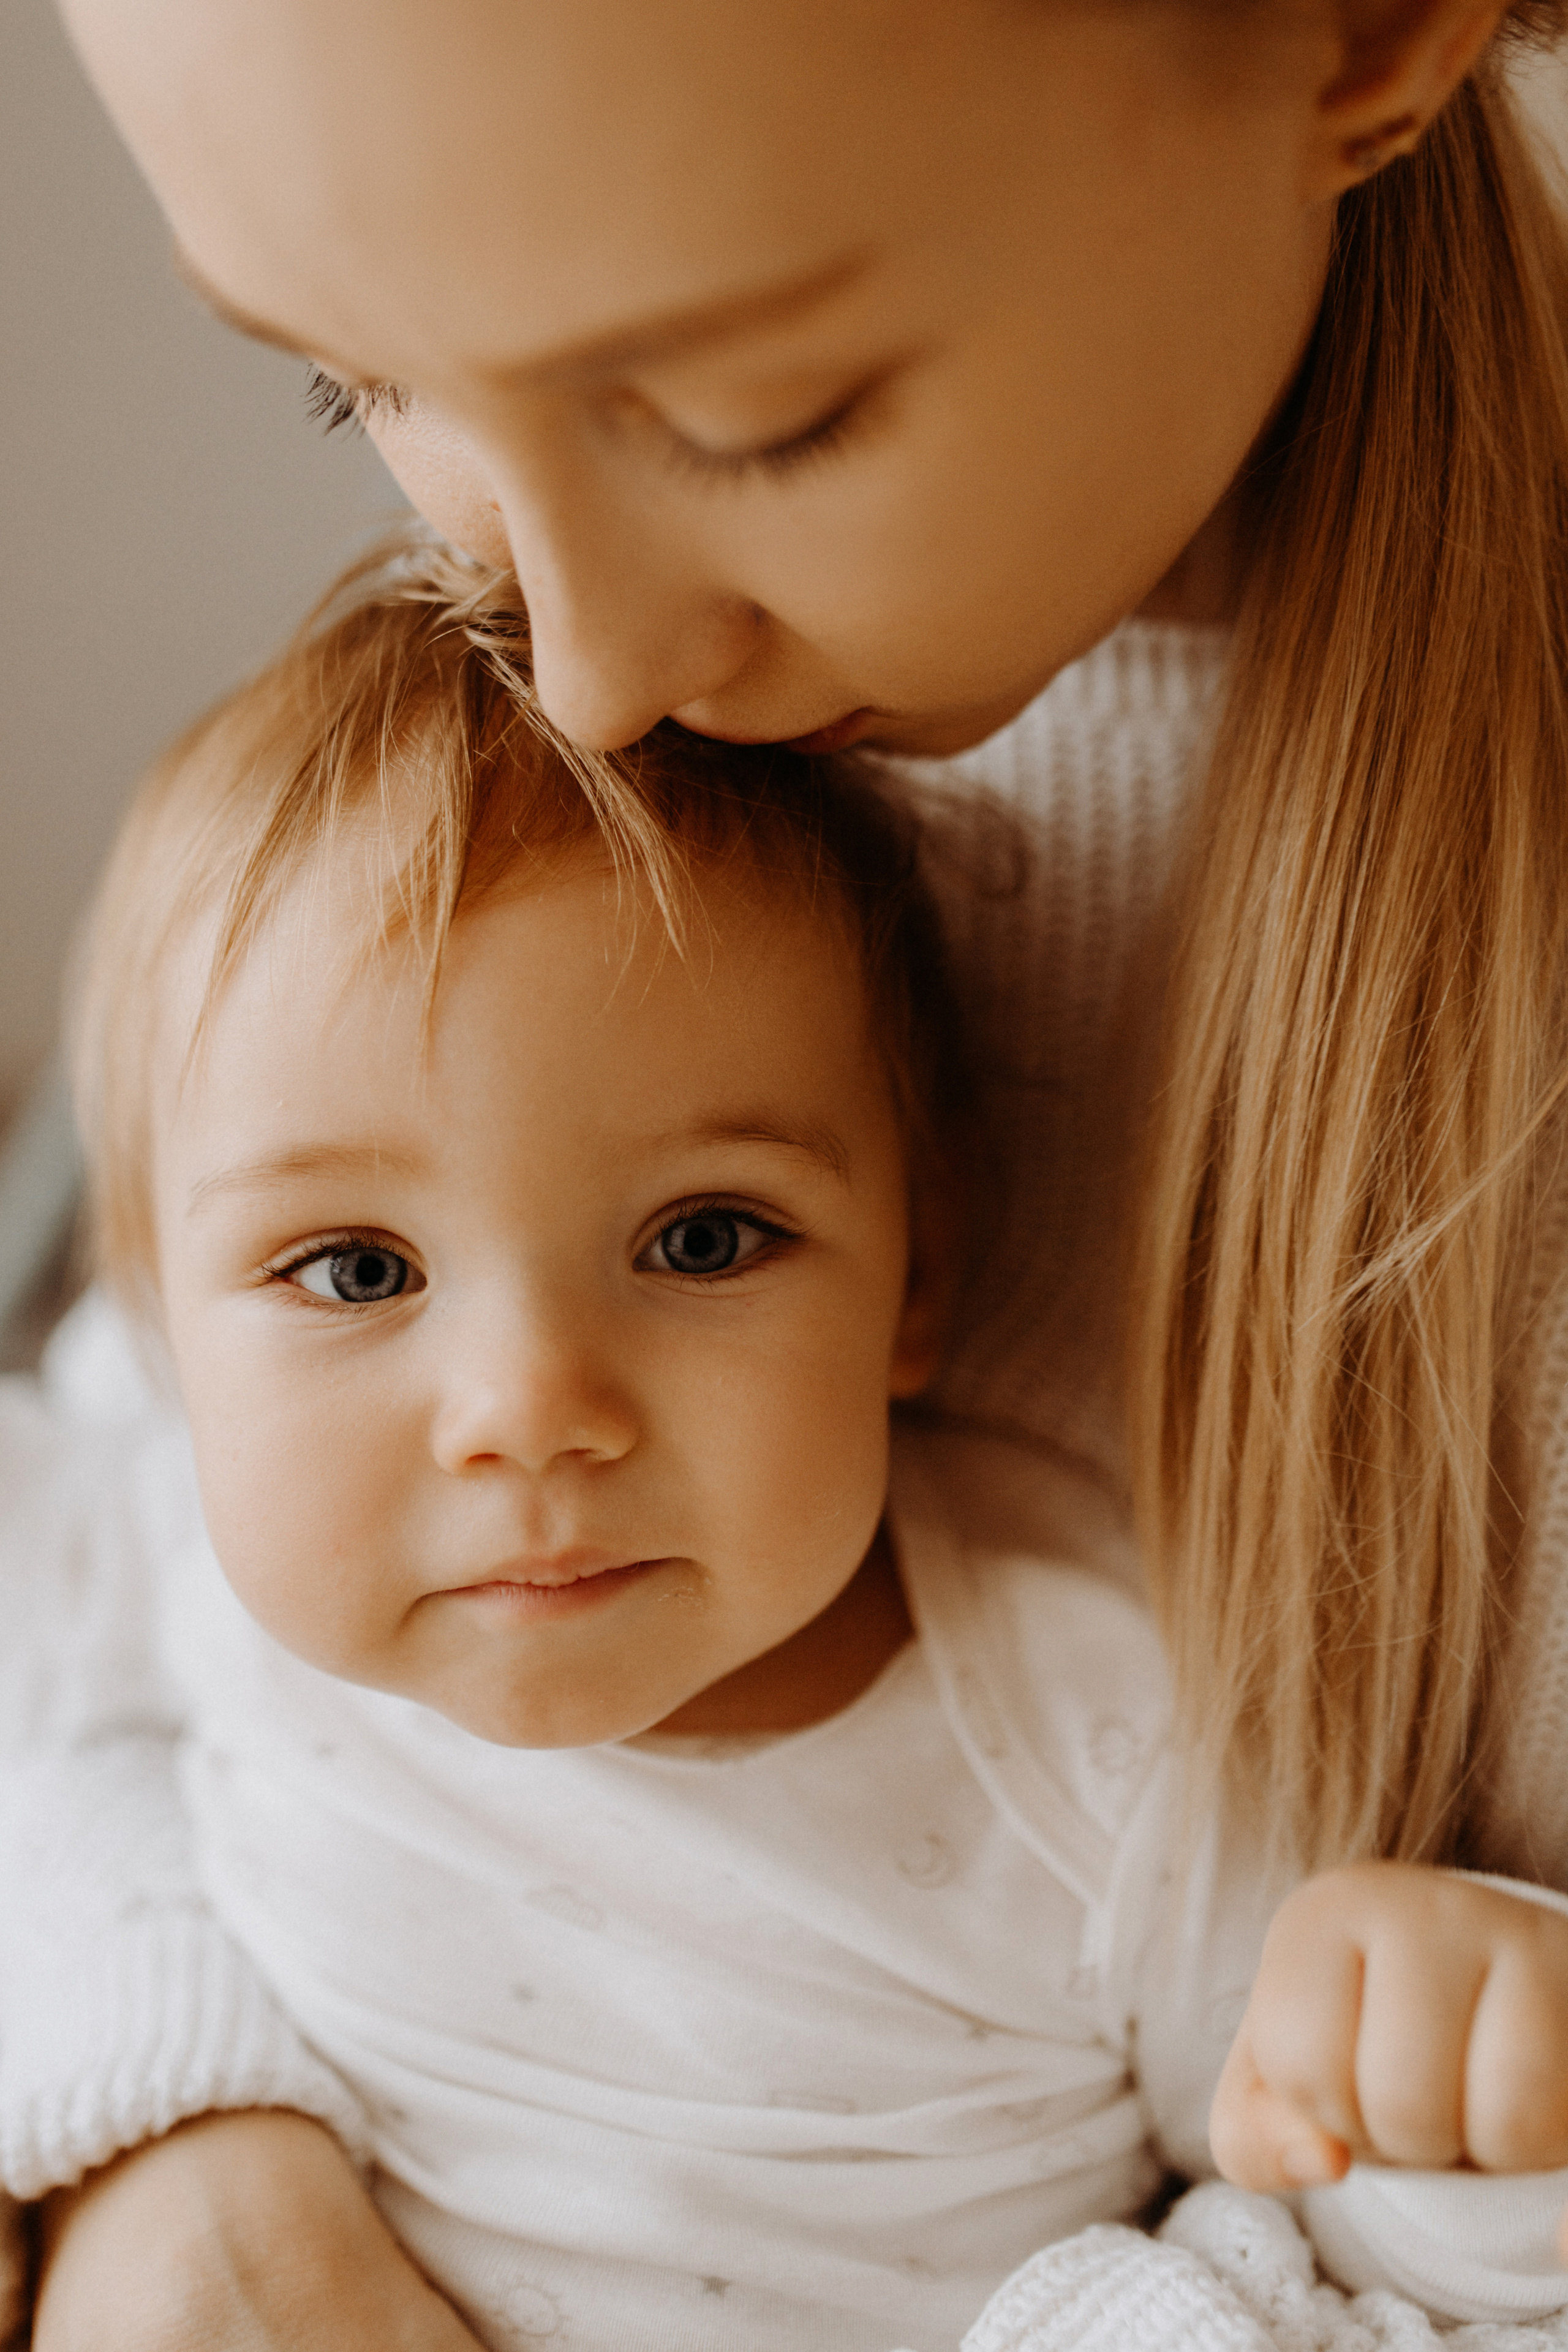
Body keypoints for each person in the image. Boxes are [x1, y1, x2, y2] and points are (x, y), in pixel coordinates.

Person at [12, 0, 1568, 2341]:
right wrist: (157, 2137)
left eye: (751, 420)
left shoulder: (1109, 1765)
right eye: (358, 385)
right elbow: (106, 1509)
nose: (584, 663)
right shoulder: (536, 765)